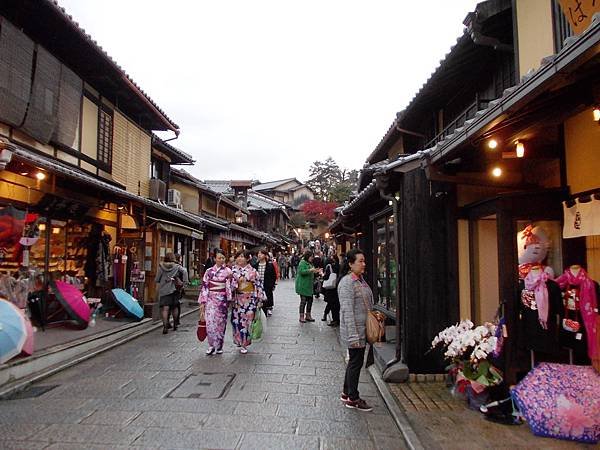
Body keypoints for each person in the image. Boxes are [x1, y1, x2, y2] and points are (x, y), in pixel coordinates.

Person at [338, 248, 374, 411]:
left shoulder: (359, 279)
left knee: (354, 362)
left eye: (364, 261)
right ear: (351, 264)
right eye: (360, 261)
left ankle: (347, 392)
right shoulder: (347, 283)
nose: (363, 264)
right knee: (355, 363)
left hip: (361, 329)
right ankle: (353, 397)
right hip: (355, 331)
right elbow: (347, 310)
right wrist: (353, 336)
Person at [198, 249, 233, 355]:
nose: (221, 260)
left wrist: (230, 281)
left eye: (223, 258)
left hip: (222, 301)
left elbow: (233, 285)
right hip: (211, 300)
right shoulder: (209, 271)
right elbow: (205, 286)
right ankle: (211, 345)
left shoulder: (228, 271)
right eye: (219, 258)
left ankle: (219, 346)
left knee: (221, 324)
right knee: (210, 323)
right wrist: (203, 301)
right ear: (214, 259)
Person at [231, 250, 263, 354]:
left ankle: (245, 343)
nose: (239, 259)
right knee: (237, 321)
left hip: (250, 300)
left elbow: (258, 285)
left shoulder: (253, 271)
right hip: (237, 300)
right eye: (238, 256)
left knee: (248, 322)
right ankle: (239, 341)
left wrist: (260, 299)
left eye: (242, 257)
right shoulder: (233, 271)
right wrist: (235, 284)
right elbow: (229, 285)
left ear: (247, 258)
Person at [155, 252, 188, 334]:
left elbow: (157, 279)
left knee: (165, 308)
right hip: (174, 289)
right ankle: (175, 324)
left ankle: (165, 326)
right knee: (174, 307)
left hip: (164, 290)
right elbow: (185, 271)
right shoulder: (176, 266)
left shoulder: (161, 267)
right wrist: (184, 282)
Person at [295, 250, 321, 323]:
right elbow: (301, 272)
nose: (312, 258)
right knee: (303, 301)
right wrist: (310, 270)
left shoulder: (310, 263)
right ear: (307, 256)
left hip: (309, 285)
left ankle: (308, 315)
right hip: (303, 285)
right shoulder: (302, 263)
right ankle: (301, 316)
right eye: (310, 257)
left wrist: (316, 271)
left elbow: (311, 271)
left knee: (310, 301)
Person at [253, 248, 276, 317]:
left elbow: (273, 276)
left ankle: (267, 309)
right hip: (257, 286)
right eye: (258, 253)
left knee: (267, 299)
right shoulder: (255, 266)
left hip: (267, 285)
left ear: (265, 255)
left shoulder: (270, 265)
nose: (259, 255)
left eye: (261, 253)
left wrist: (271, 285)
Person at [322, 255, 340, 326]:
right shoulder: (339, 266)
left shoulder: (329, 267)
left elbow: (326, 277)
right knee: (336, 304)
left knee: (332, 305)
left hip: (331, 288)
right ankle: (337, 319)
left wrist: (322, 275)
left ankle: (334, 320)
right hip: (337, 287)